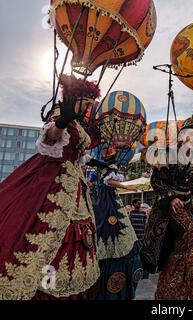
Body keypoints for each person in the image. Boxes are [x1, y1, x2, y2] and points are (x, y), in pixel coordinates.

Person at [0, 74, 102, 300]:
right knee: (38, 232)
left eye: (91, 102)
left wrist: (93, 161)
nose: (89, 106)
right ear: (76, 97)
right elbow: (50, 138)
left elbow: (77, 152)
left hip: (76, 183)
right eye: (87, 100)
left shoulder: (79, 122)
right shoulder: (60, 112)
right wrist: (62, 121)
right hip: (53, 180)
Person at [140, 113, 193, 300]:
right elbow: (157, 181)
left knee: (179, 253)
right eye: (190, 134)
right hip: (169, 210)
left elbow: (190, 183)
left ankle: (172, 292)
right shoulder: (168, 154)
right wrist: (170, 198)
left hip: (186, 207)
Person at [91, 157, 143, 300]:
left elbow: (98, 180)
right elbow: (108, 181)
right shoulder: (110, 165)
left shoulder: (100, 165)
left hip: (99, 198)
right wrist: (127, 187)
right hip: (108, 199)